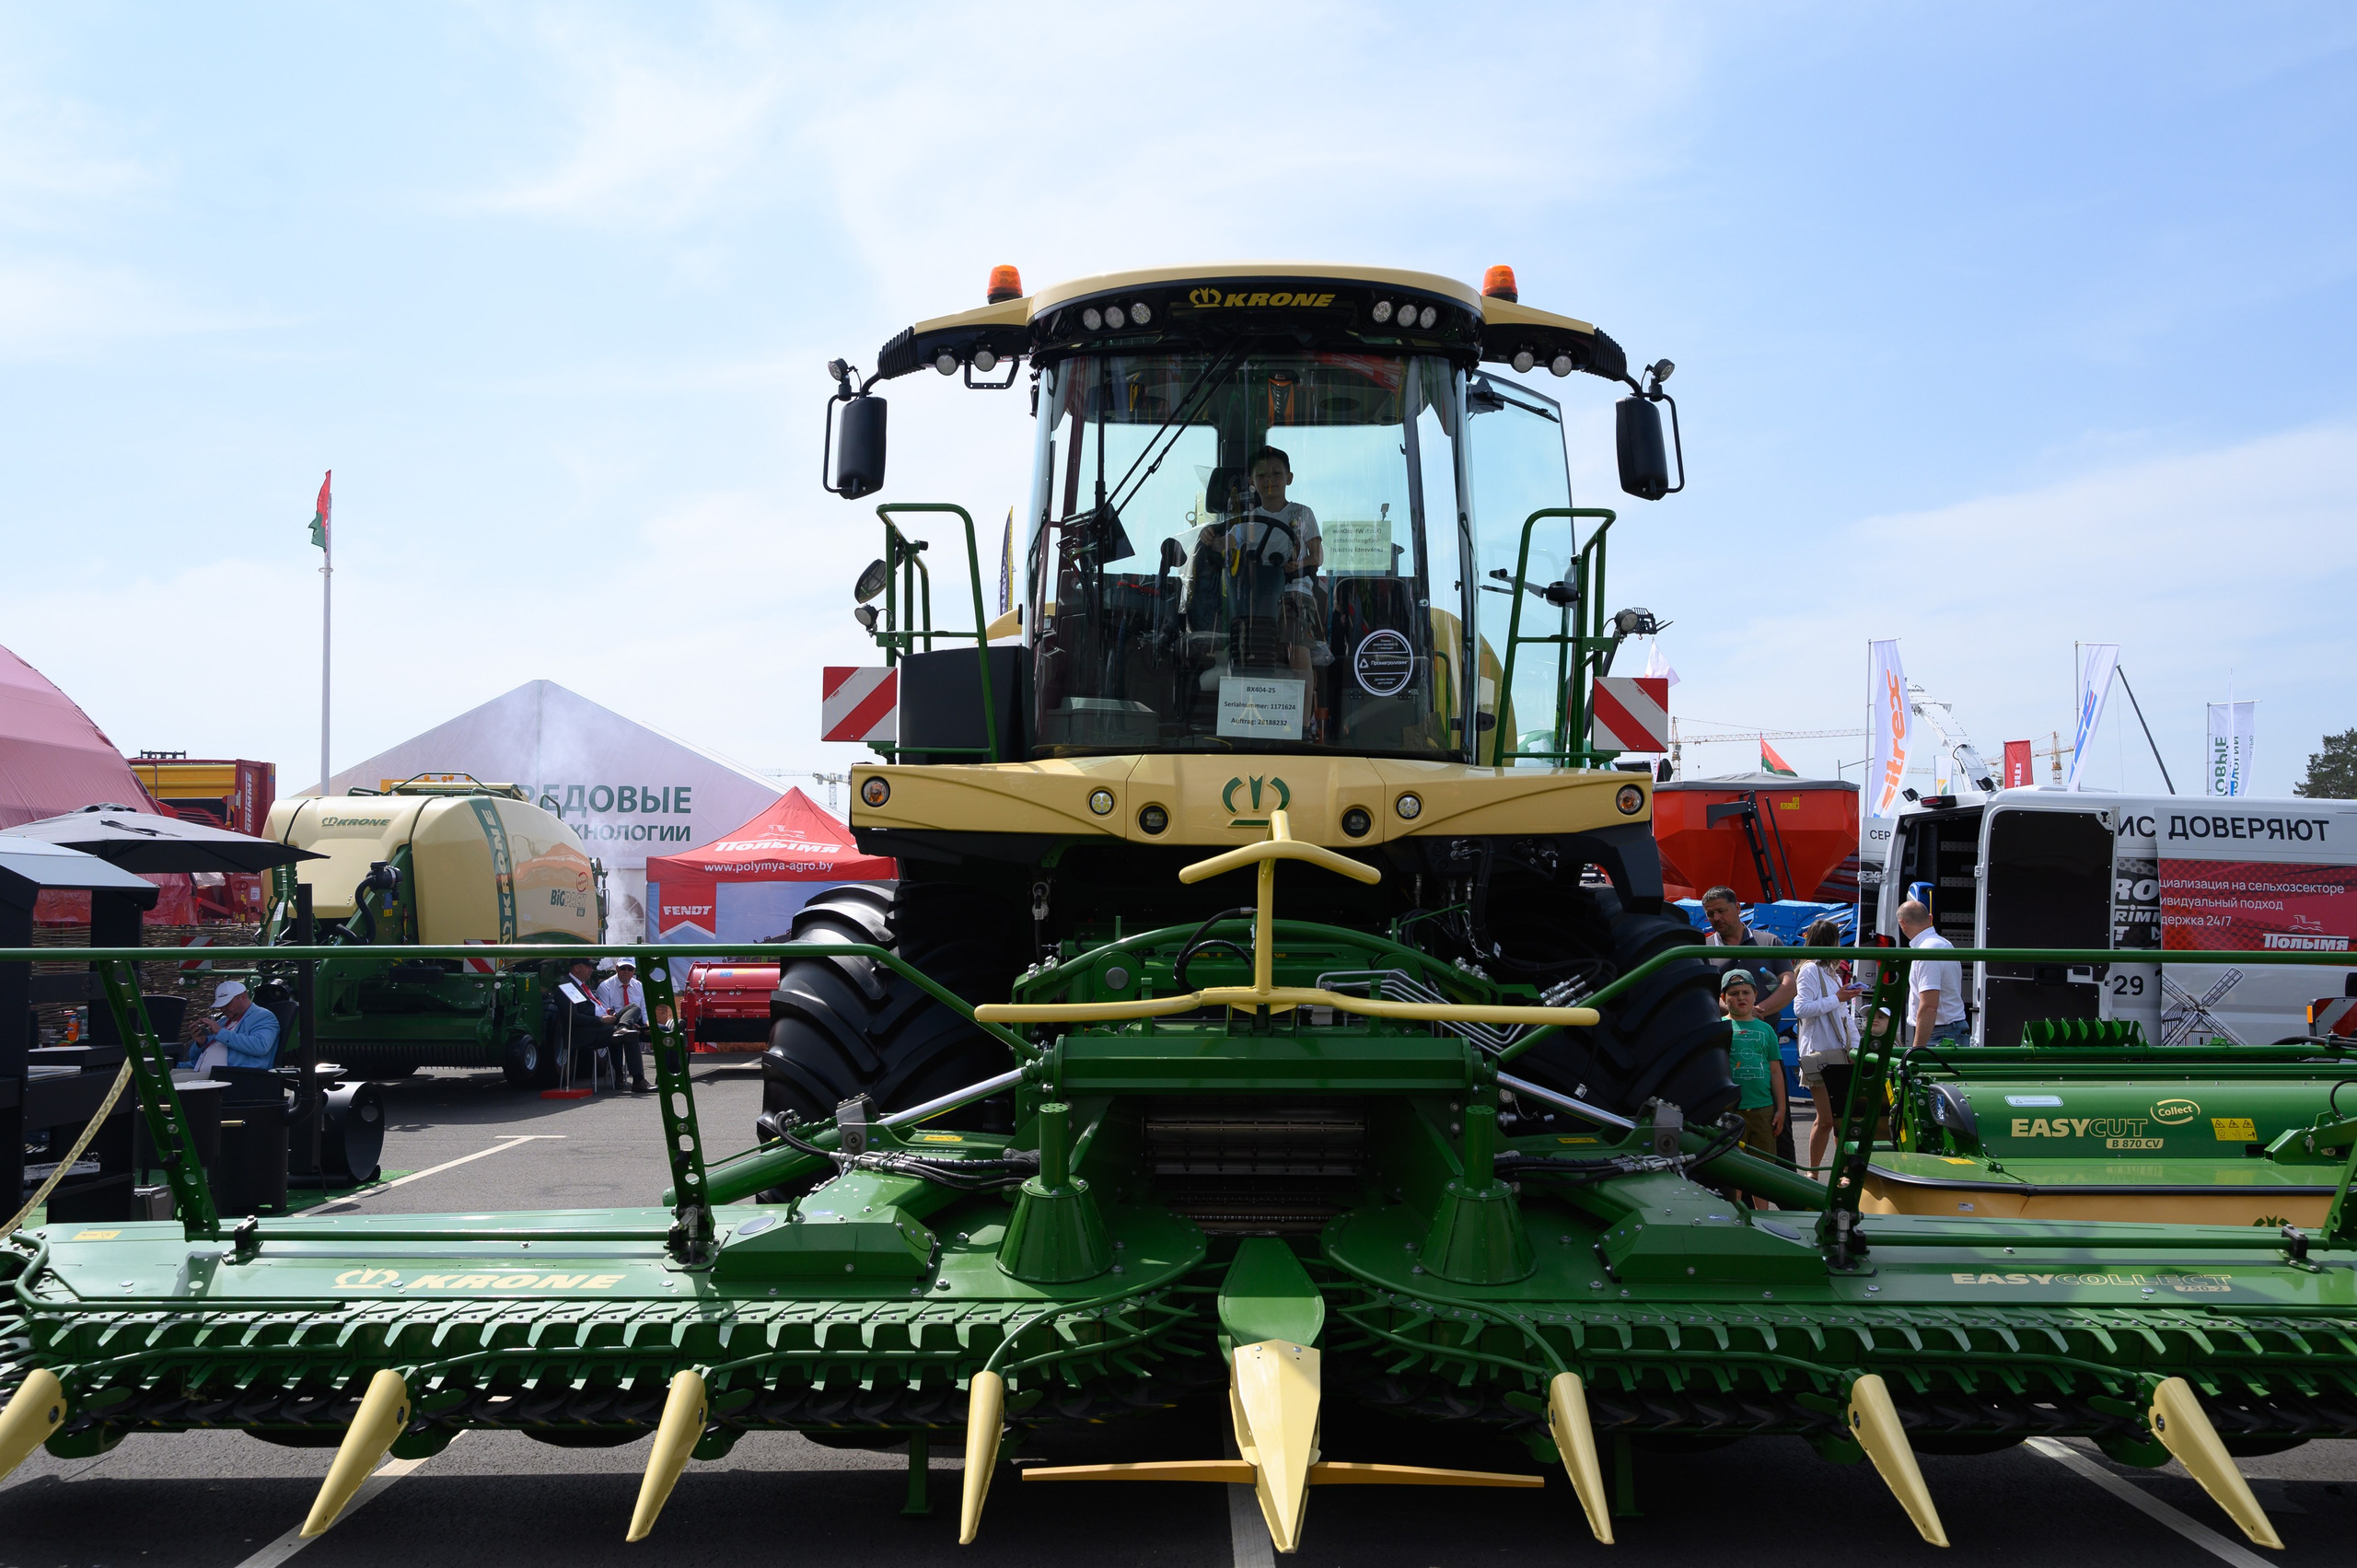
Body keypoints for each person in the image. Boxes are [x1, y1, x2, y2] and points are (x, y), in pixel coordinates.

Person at [1201, 445, 1323, 688]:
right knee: (1243, 650)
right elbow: (1228, 544)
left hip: (1292, 592)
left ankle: (1304, 722)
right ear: (1252, 482)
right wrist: (1210, 538)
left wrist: (1298, 564)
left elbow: (1317, 557)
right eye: (1262, 475)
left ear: (1289, 478)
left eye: (1277, 474)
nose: (1270, 480)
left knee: (1298, 653)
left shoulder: (1302, 513)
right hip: (1255, 595)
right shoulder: (1249, 519)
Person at [1791, 918, 1864, 1170]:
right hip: (1821, 1053)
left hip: (1837, 1052)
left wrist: (1855, 1047)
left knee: (1838, 1119)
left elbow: (1842, 1016)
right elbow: (1801, 1009)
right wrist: (1837, 997)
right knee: (1826, 1119)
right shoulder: (1812, 969)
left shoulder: (1828, 971)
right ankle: (1813, 1172)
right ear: (1832, 942)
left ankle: (1836, 1171)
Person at [1719, 969, 1786, 1202]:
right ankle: (1736, 1220)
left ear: (1755, 995)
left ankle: (1762, 1220)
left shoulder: (1766, 1030)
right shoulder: (1719, 1028)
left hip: (1763, 1109)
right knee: (1733, 1172)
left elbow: (1776, 1071)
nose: (1741, 998)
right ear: (1723, 998)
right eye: (1734, 993)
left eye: (1746, 992)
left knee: (1762, 1173)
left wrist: (1781, 1109)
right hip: (1731, 1111)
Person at [1700, 887, 1796, 1018]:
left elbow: (1790, 985)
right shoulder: (1703, 948)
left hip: (1766, 1032)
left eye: (1721, 911)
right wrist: (1739, 1013)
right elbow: (1703, 992)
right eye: (1710, 914)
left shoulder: (1769, 942)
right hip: (1725, 1034)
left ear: (1738, 908)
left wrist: (1757, 1012)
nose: (1716, 918)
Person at [1896, 899, 1968, 1050]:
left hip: (1941, 1033)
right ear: (1930, 918)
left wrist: (1917, 1049)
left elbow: (1929, 1006)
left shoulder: (1926, 950)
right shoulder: (1942, 944)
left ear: (1902, 924)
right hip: (1948, 1030)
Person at [187, 979, 279, 1071]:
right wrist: (201, 1042)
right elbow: (192, 1057)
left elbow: (261, 1046)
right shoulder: (223, 1021)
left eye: (227, 1004)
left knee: (175, 1080)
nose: (222, 1009)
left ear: (243, 998)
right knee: (173, 1075)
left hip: (236, 1075)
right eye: (220, 1006)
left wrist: (220, 1032)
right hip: (199, 1069)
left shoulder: (262, 1016)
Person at [595, 957, 652, 1093]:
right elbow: (606, 1012)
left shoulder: (639, 986)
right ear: (616, 969)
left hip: (636, 1024)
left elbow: (645, 1010)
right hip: (615, 1020)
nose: (626, 971)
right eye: (623, 968)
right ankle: (619, 1072)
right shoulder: (606, 986)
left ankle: (666, 1074)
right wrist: (627, 1023)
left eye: (630, 969)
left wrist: (648, 1023)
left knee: (665, 1030)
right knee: (623, 1025)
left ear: (634, 971)